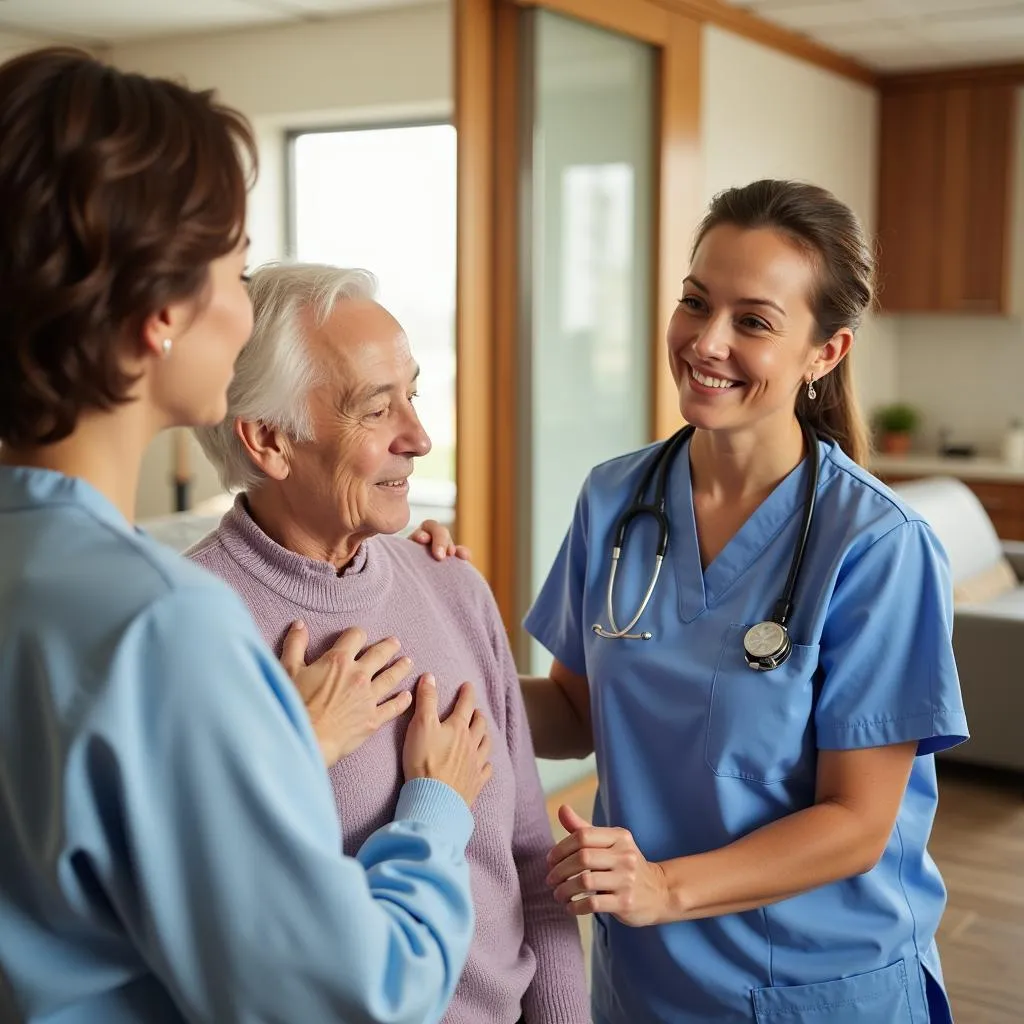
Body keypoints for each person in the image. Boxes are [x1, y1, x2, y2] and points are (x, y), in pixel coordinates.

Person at [0, 48, 492, 1024]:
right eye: (233, 264)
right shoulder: (164, 624)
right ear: (159, 314)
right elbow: (356, 998)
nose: (244, 296)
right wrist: (434, 809)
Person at [515, 180, 968, 1023]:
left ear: (824, 353)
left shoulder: (876, 544)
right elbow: (578, 709)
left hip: (815, 983)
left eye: (753, 321)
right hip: (646, 977)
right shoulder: (615, 500)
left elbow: (858, 822)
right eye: (696, 302)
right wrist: (433, 637)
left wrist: (661, 887)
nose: (706, 341)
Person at [188, 262, 590, 1024]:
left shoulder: (452, 587)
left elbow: (530, 873)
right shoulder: (189, 627)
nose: (421, 436)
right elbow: (228, 927)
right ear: (270, 440)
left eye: (414, 392)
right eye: (378, 410)